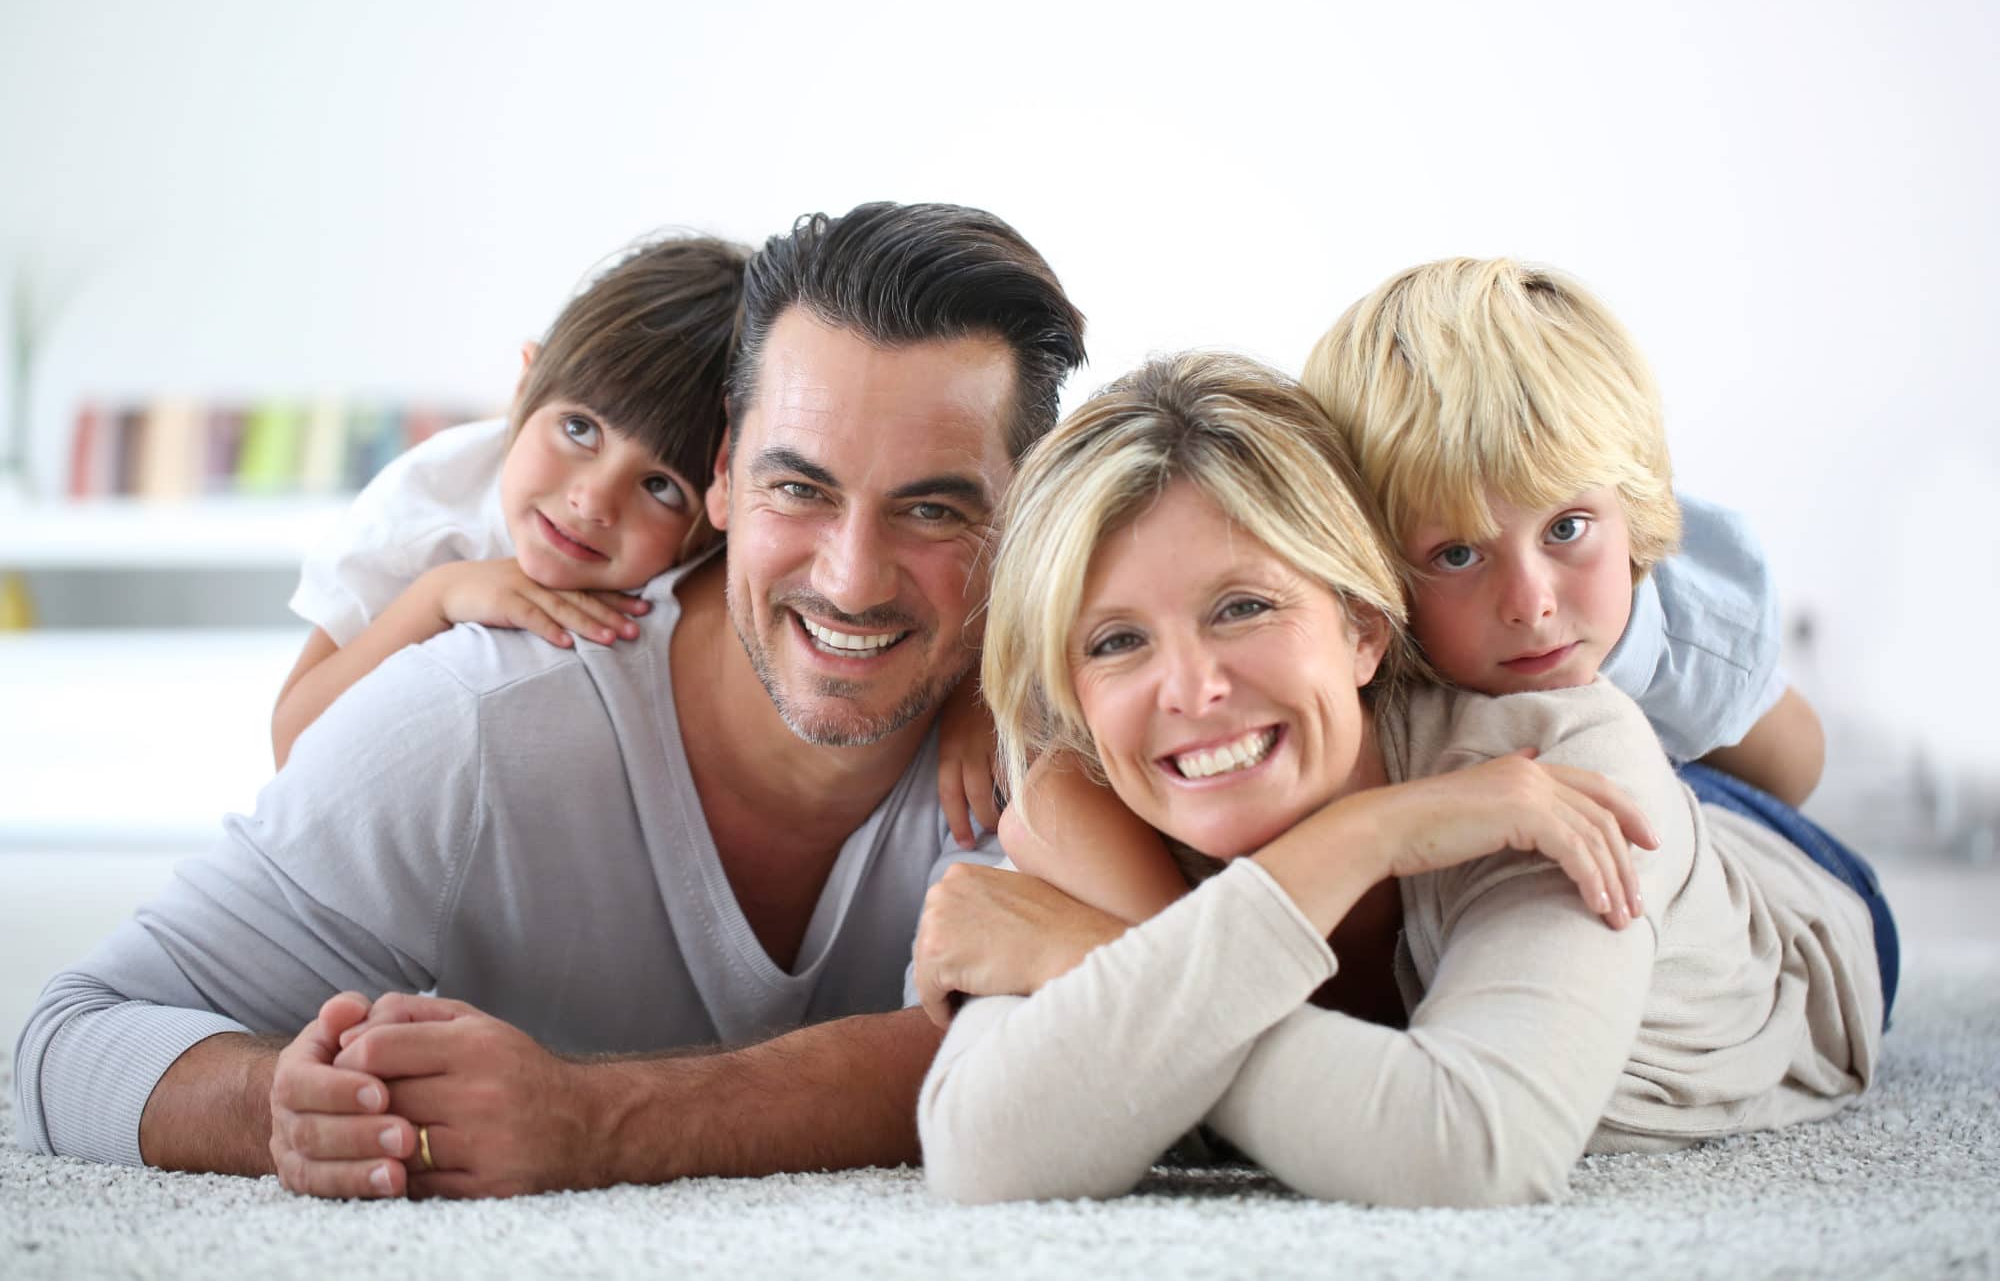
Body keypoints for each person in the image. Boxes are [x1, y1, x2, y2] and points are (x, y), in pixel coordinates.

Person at [14, 201, 1086, 1200]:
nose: (850, 578)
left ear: (1030, 513)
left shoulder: (1059, 742)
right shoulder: (468, 723)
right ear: (721, 471)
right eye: (798, 488)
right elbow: (67, 1040)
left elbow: (1094, 1039)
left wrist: (596, 1118)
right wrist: (276, 1110)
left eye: (934, 510)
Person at [913, 353, 1887, 1206]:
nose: (1193, 690)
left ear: (1362, 627)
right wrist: (1358, 837)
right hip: (1400, 769)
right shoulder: (1093, 798)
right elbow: (979, 1146)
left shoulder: (1550, 764)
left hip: (1776, 898)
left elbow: (1473, 1148)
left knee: (1696, 706)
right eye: (1117, 640)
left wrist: (1104, 970)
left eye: (1243, 606)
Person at [1304, 257, 1824, 805]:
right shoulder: (1361, 665)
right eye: (1457, 555)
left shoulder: (1691, 641)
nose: (1531, 605)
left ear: (1631, 509)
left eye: (1566, 528)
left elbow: (1795, 772)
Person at [272, 233, 746, 769]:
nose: (592, 501)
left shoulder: (718, 577)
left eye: (660, 486)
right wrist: (437, 598)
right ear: (524, 385)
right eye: (579, 429)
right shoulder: (430, 503)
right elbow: (293, 740)